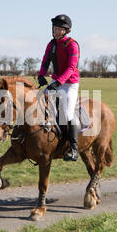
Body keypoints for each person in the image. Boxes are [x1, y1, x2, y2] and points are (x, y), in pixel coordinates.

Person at [37, 14, 80, 161]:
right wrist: (41, 75)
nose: (56, 31)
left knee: (67, 115)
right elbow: (45, 60)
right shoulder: (52, 44)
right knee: (38, 100)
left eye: (59, 29)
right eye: (55, 28)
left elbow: (71, 67)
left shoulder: (72, 45)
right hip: (56, 81)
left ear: (66, 31)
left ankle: (73, 149)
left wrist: (59, 82)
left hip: (70, 84)